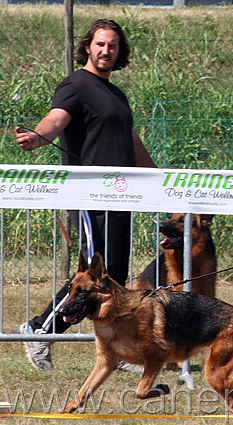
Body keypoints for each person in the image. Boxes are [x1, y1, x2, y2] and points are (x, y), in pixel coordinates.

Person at [15, 19, 157, 371]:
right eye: (100, 44)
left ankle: (120, 350)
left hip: (123, 197)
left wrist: (160, 179)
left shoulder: (116, 94)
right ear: (88, 47)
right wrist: (38, 137)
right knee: (91, 280)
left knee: (113, 278)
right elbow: (56, 119)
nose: (106, 50)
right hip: (93, 196)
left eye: (112, 45)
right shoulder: (76, 84)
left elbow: (131, 141)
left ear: (119, 51)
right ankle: (39, 329)